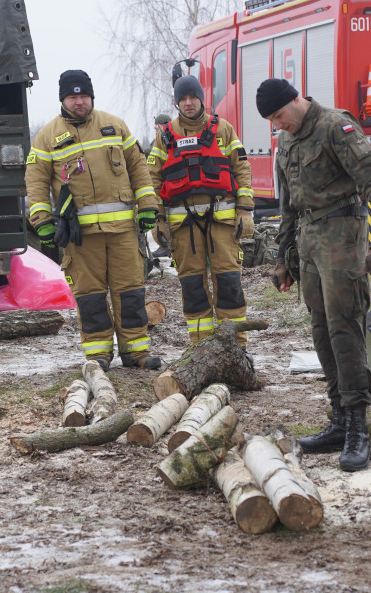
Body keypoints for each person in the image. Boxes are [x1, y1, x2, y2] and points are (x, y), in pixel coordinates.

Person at [257, 77, 371, 472]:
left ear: (294, 100)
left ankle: (357, 425)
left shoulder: (336, 126)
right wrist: (282, 256)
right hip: (308, 241)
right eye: (271, 120)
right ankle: (339, 417)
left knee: (344, 326)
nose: (277, 124)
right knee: (320, 328)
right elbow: (288, 204)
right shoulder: (286, 142)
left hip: (342, 233)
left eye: (279, 115)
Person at [25, 70, 161, 371]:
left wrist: (148, 204)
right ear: (63, 99)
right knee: (90, 295)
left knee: (130, 291)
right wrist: (42, 220)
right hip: (79, 235)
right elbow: (35, 182)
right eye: (73, 97)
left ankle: (136, 351)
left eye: (84, 96)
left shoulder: (115, 126)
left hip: (123, 231)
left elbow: (139, 167)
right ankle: (98, 354)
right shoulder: (47, 137)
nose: (79, 102)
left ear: (91, 97)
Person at [146, 75, 254, 347]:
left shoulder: (223, 129)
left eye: (193, 97)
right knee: (193, 288)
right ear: (176, 102)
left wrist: (245, 210)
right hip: (184, 229)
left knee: (229, 283)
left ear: (201, 99)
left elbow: (242, 169)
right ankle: (201, 348)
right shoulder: (165, 136)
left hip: (222, 223)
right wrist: (158, 219)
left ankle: (236, 347)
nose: (189, 102)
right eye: (183, 99)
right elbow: (152, 179)